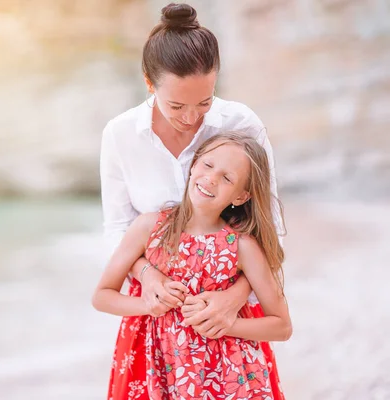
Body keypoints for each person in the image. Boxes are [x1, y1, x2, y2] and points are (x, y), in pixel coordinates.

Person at [99, 3, 286, 399]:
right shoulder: (120, 135)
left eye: (205, 101)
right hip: (153, 320)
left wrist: (233, 299)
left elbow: (269, 227)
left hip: (227, 321)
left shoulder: (241, 125)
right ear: (150, 84)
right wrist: (148, 276)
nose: (192, 118)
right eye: (177, 106)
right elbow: (118, 228)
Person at [94, 132, 292, 399]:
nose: (211, 178)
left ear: (242, 196)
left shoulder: (242, 246)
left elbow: (282, 326)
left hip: (226, 376)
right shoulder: (149, 227)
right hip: (156, 366)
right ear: (194, 165)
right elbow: (102, 297)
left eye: (227, 178)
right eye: (208, 165)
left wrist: (227, 325)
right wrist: (148, 305)